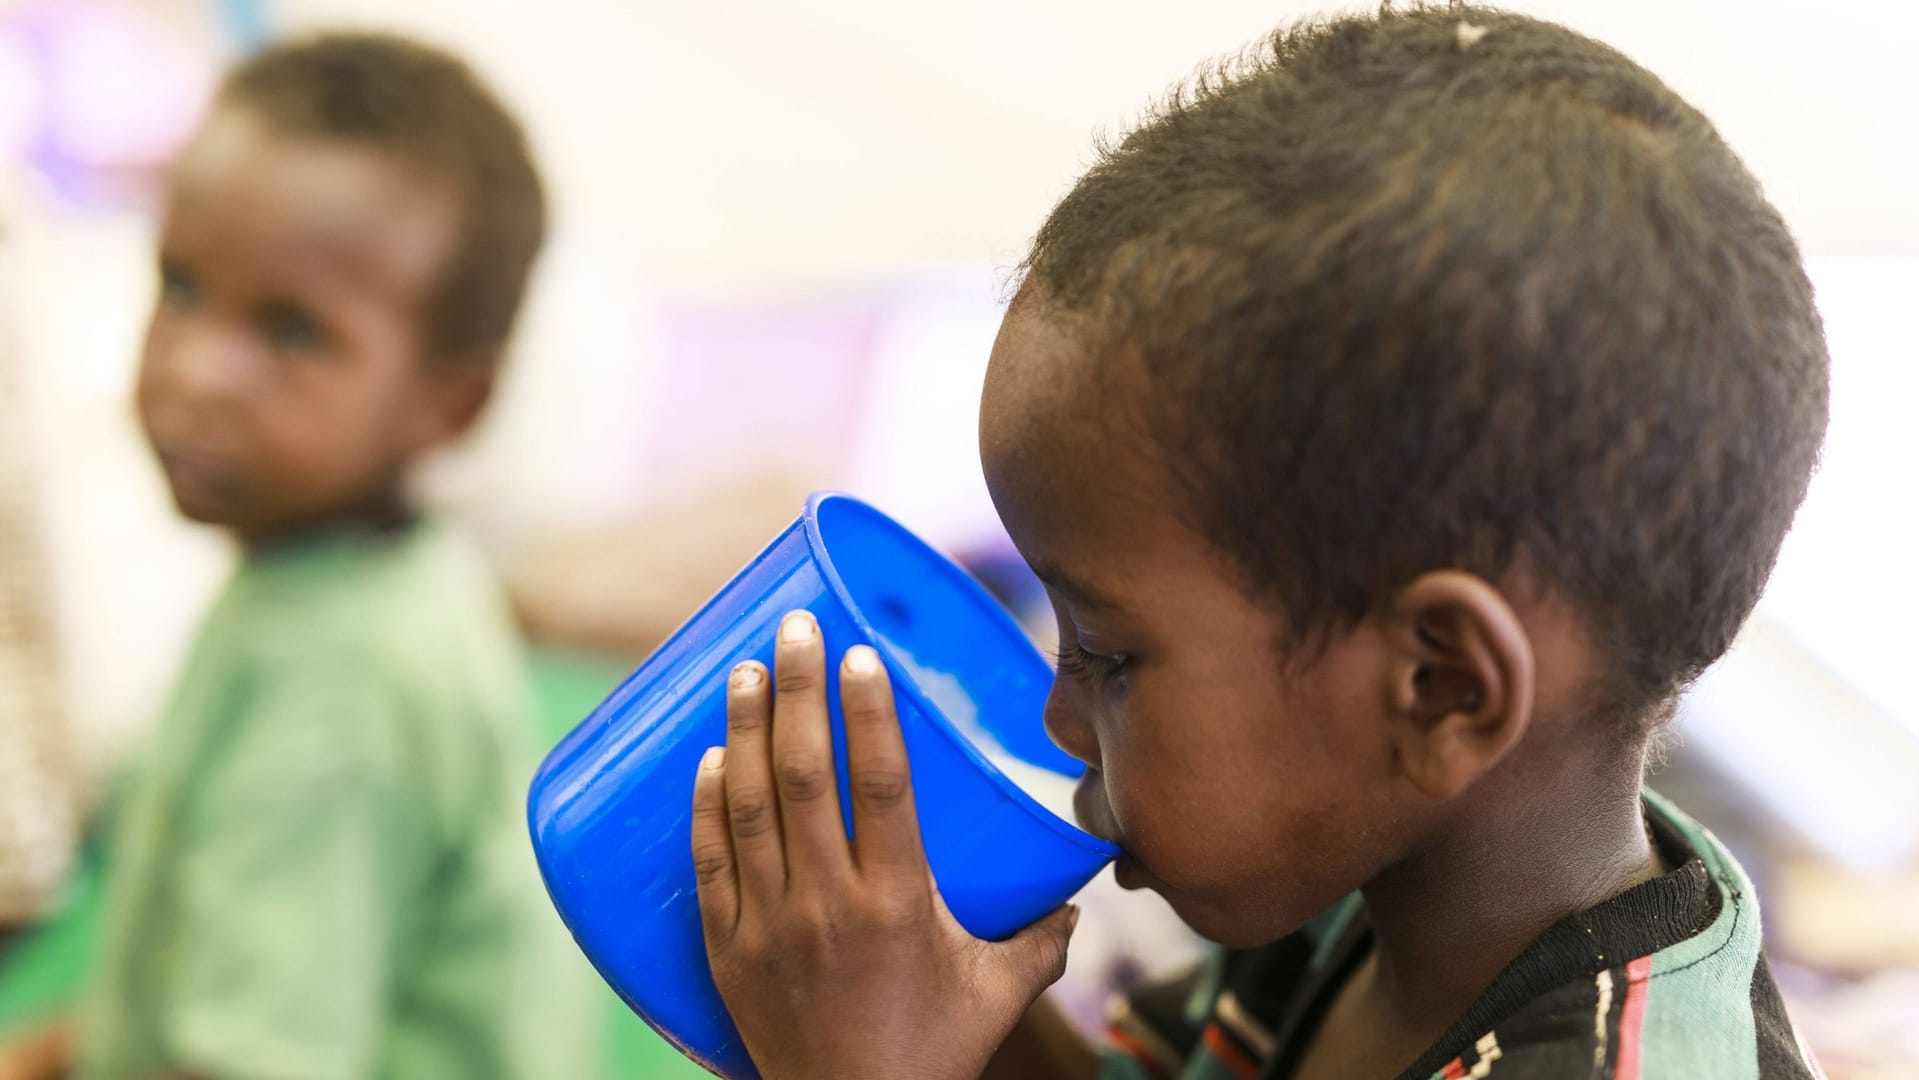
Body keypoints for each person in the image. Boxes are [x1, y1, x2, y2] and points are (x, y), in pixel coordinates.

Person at [681, 6, 1828, 1079]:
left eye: (1113, 656)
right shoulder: (1358, 888)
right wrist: (920, 996)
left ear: (1439, 687)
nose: (1057, 714)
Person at [0, 33, 593, 1080]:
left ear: (451, 403)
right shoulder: (339, 569)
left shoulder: (340, 688)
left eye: (292, 333)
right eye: (181, 287)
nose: (196, 372)